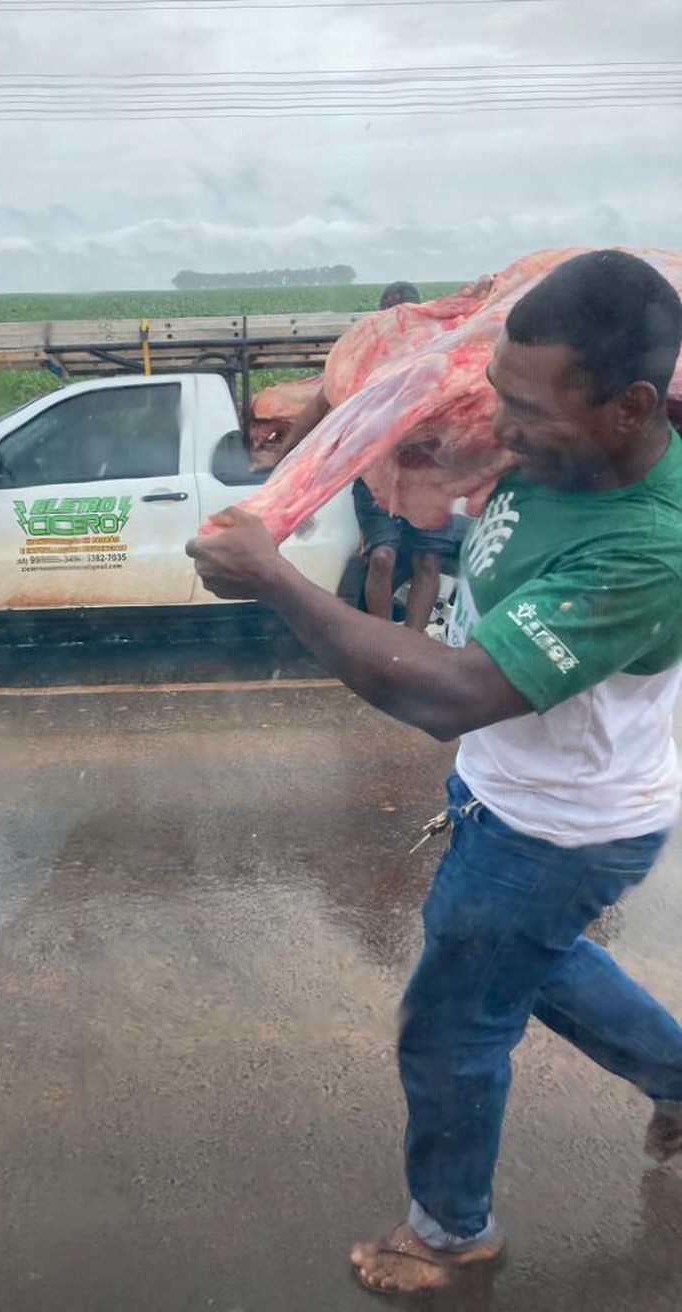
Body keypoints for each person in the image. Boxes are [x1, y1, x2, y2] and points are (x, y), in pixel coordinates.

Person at [187, 250, 682, 1295]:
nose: (498, 427)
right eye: (495, 393)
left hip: (559, 829)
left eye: (527, 411)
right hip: (512, 790)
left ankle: (450, 1231)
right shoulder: (567, 449)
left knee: (452, 1024)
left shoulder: (649, 547)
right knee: (534, 965)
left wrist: (275, 579)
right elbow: (432, 403)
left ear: (632, 408)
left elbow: (450, 694)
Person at [271, 280, 465, 631]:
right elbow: (320, 404)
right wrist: (286, 457)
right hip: (378, 475)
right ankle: (382, 640)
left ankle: (413, 645)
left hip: (430, 475)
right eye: (393, 315)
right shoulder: (363, 361)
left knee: (428, 561)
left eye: (408, 314)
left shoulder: (444, 351)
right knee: (382, 556)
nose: (401, 323)